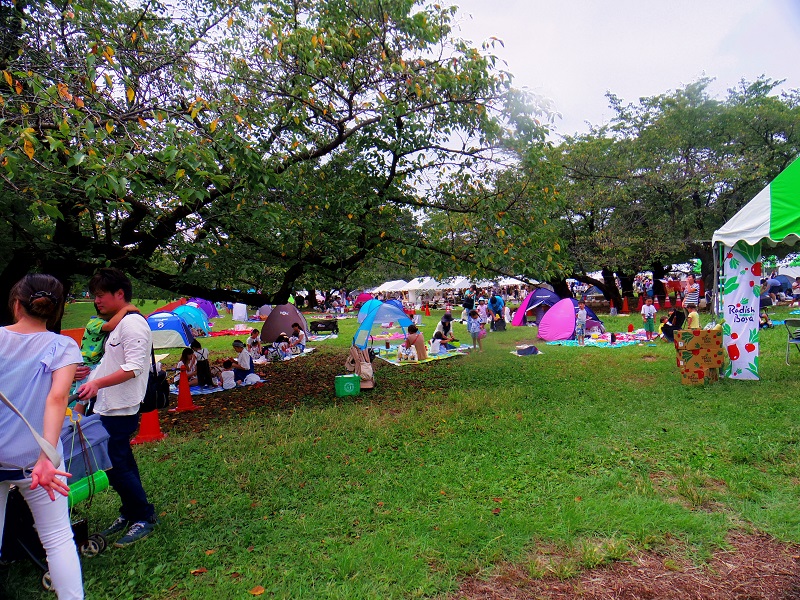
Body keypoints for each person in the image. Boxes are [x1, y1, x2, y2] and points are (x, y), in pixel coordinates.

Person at [0, 274, 84, 599]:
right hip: (40, 464)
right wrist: (46, 458)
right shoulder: (63, 346)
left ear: (16, 304)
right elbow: (56, 399)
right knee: (58, 538)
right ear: (57, 310)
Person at [76, 268, 157, 548]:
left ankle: (143, 516)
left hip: (120, 408)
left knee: (114, 465)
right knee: (121, 461)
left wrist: (98, 385)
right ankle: (131, 511)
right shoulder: (117, 323)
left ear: (119, 294)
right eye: (94, 296)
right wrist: (90, 377)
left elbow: (134, 368)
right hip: (106, 407)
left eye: (100, 295)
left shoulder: (133, 325)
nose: (95, 301)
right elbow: (110, 362)